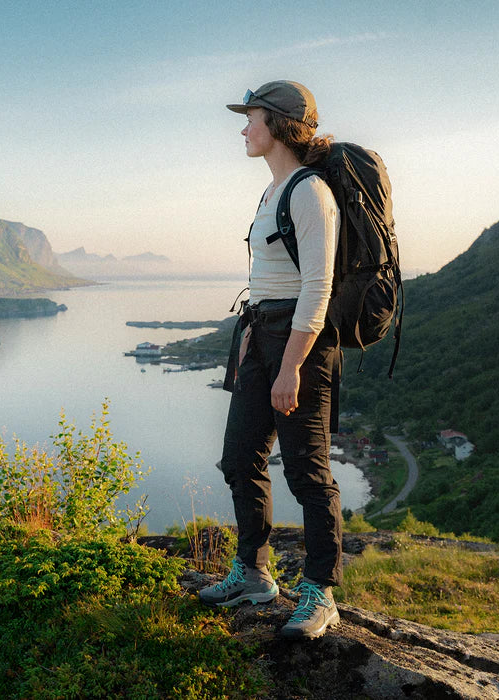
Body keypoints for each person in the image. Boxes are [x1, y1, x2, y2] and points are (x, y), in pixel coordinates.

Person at [198, 80, 343, 640]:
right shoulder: (272, 192)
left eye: (250, 117)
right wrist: (248, 344)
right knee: (240, 458)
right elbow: (267, 281)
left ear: (278, 124)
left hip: (299, 345)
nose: (243, 128)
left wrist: (291, 367)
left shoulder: (310, 193)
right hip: (261, 335)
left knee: (308, 472)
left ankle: (320, 593)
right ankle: (254, 573)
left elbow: (317, 287)